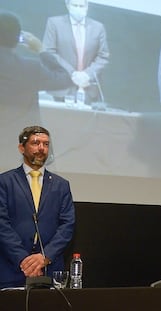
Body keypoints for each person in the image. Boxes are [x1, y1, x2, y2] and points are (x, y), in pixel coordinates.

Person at [0, 126, 75, 289]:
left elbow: (67, 225)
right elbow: (2, 225)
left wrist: (45, 256)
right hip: (12, 269)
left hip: (49, 270)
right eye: (35, 143)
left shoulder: (61, 185)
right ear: (21, 147)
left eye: (46, 144)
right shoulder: (5, 182)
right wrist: (24, 260)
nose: (41, 148)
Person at [0, 10, 73, 168]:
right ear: (17, 39)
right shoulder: (30, 68)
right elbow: (65, 79)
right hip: (21, 153)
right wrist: (42, 50)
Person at [42, 0, 110, 105]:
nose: (78, 8)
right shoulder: (54, 23)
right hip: (61, 87)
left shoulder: (98, 28)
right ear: (67, 5)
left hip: (87, 88)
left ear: (87, 6)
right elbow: (49, 52)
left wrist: (87, 74)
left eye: (81, 6)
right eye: (75, 5)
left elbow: (103, 57)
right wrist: (73, 74)